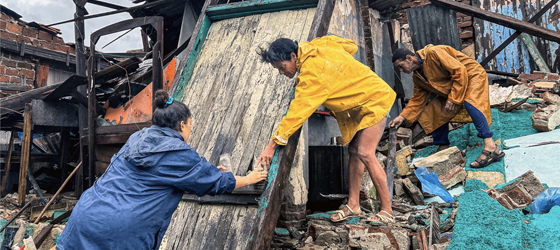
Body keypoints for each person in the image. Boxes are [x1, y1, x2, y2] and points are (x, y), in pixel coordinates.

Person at [57, 90, 268, 250]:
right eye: (190, 126)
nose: (190, 131)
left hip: (84, 216)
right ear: (183, 125)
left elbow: (159, 176)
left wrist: (205, 172)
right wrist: (249, 178)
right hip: (119, 233)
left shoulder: (137, 138)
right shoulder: (178, 151)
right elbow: (217, 183)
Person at [257, 36, 397, 223]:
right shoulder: (321, 44)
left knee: (365, 152)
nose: (281, 73)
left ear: (293, 56)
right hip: (364, 100)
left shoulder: (311, 75)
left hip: (375, 100)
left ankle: (387, 211)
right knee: (354, 151)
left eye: (282, 67)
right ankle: (354, 205)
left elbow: (296, 113)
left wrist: (271, 146)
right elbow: (351, 46)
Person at [390, 45, 504, 168]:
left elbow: (459, 70)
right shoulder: (417, 76)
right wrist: (402, 117)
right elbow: (418, 99)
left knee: (471, 103)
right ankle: (443, 145)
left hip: (472, 74)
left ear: (409, 58)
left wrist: (454, 98)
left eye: (401, 66)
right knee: (437, 109)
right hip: (454, 83)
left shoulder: (433, 53)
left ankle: (491, 147)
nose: (401, 71)